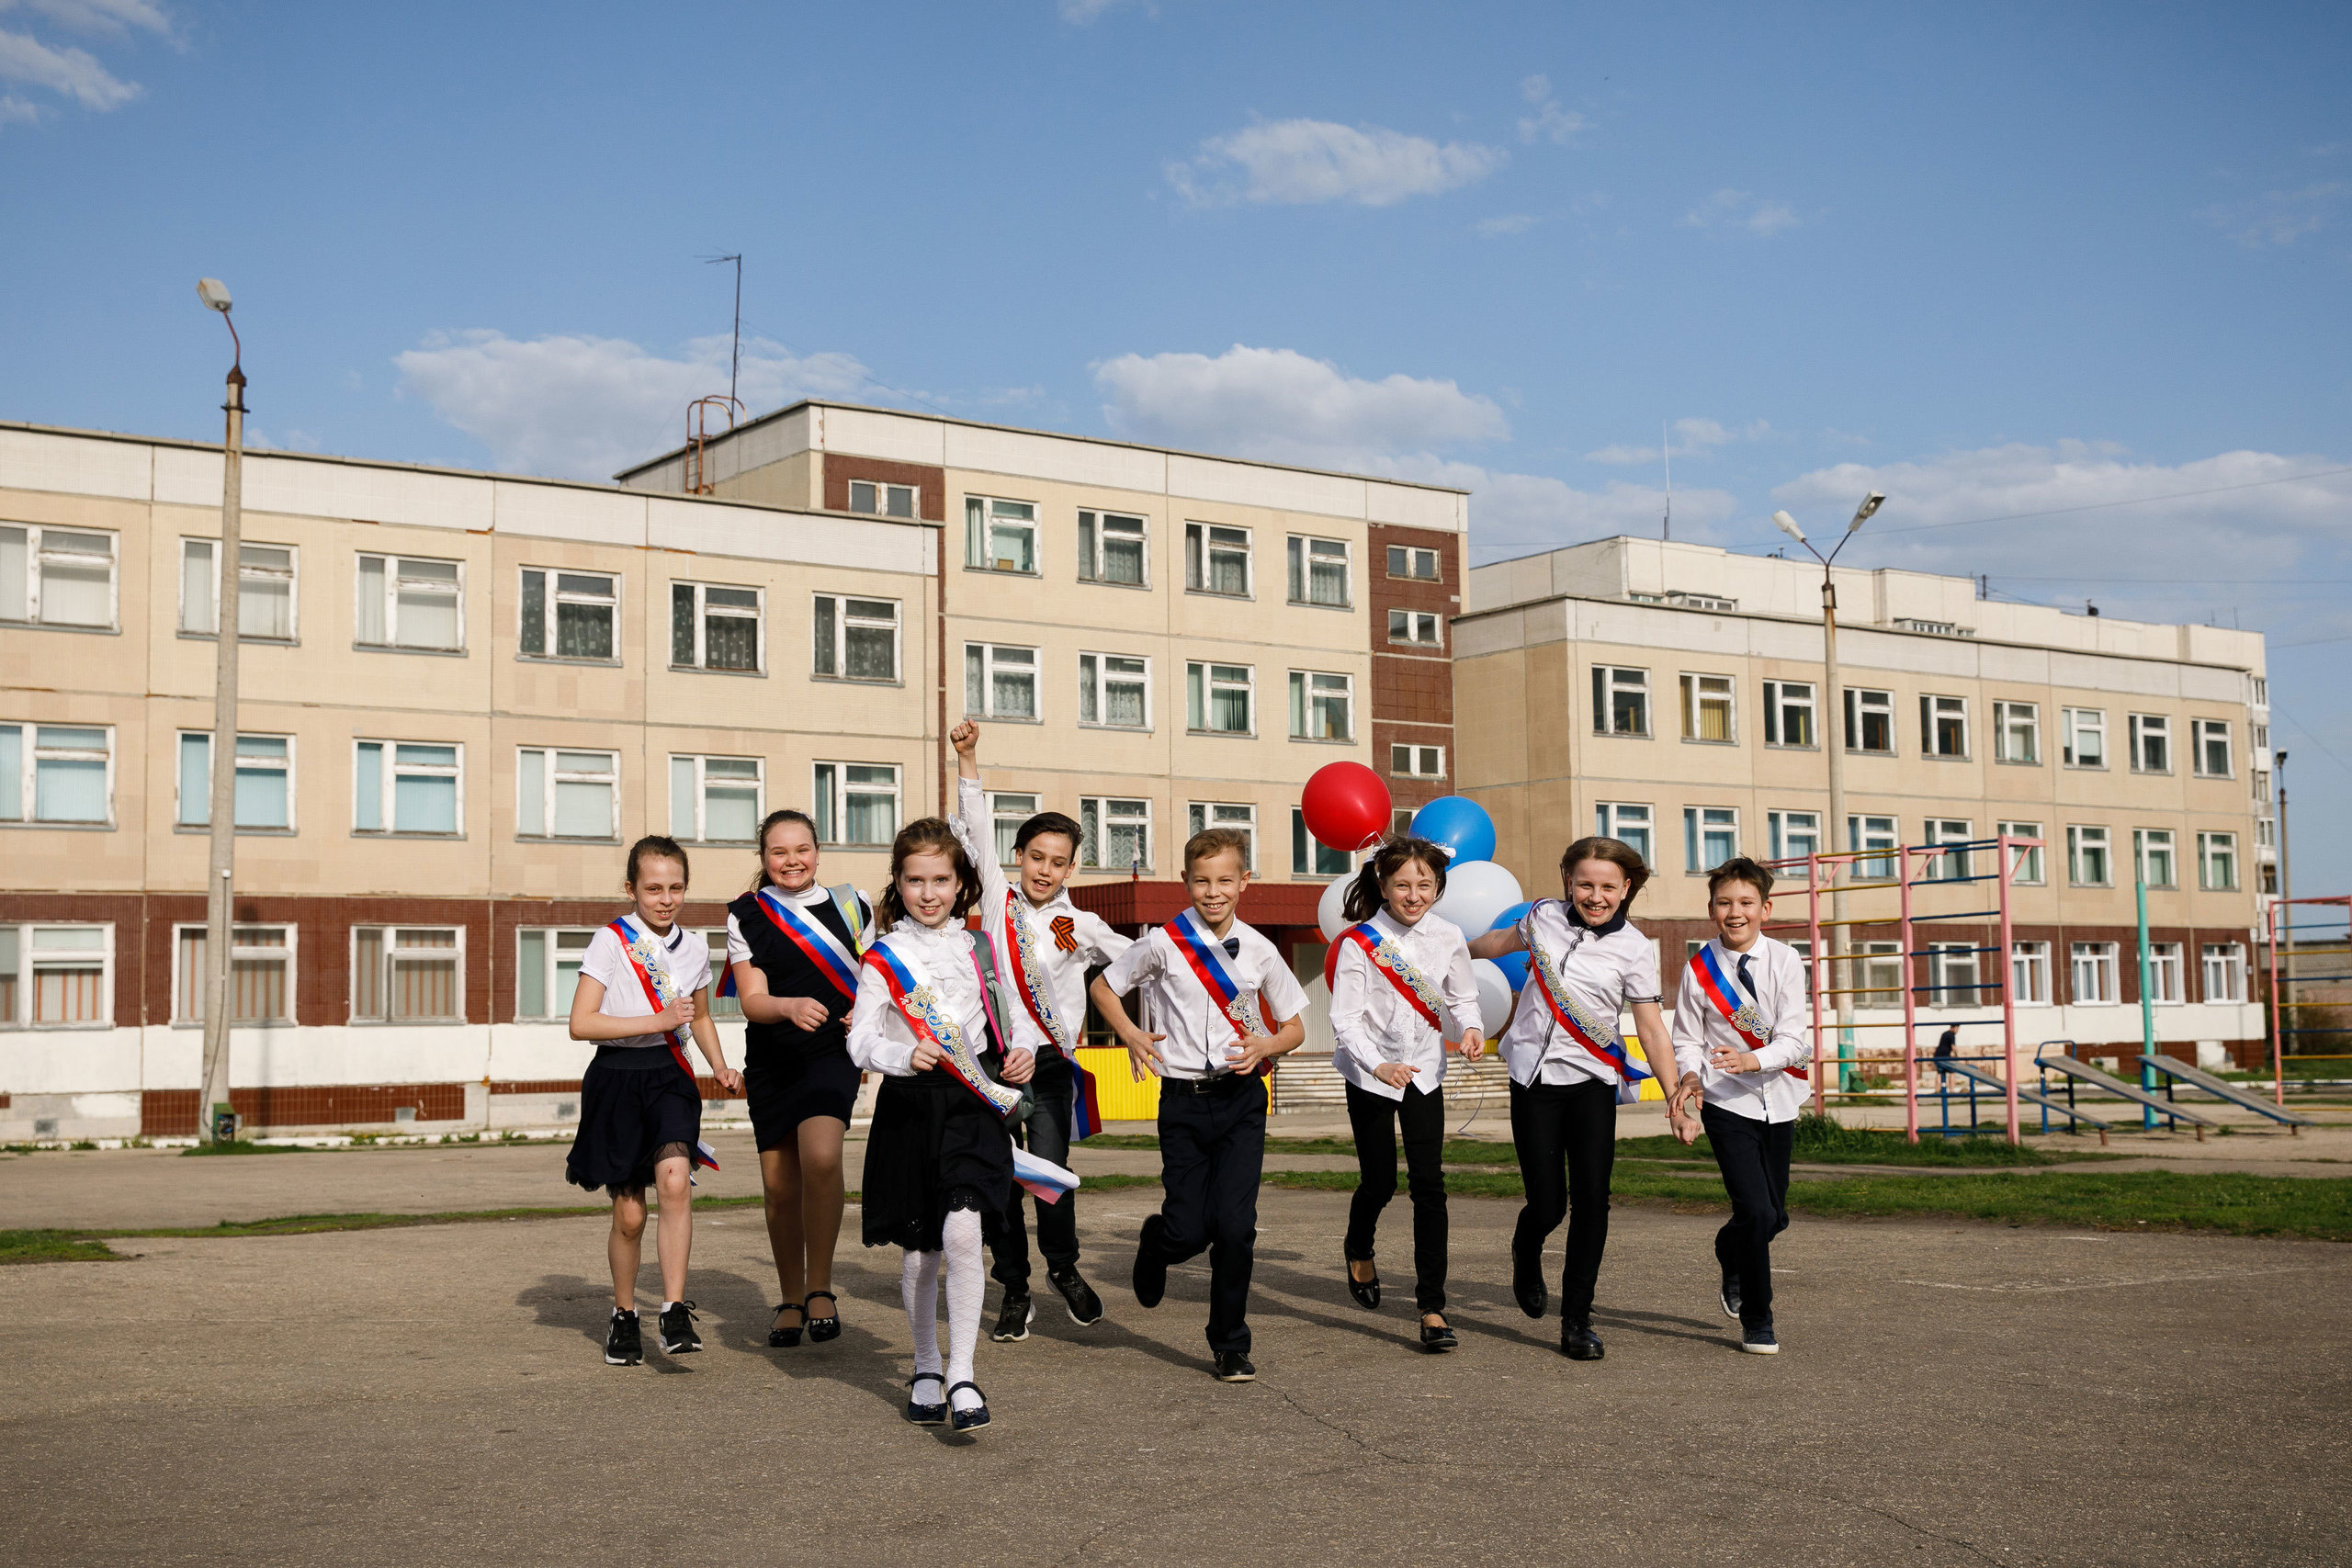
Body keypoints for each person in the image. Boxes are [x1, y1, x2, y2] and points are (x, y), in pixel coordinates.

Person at [1090, 827, 1308, 1382]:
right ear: (1186, 882)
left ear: (1245, 882)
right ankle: (1155, 1244)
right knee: (1189, 1230)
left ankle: (1229, 1342)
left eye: (1225, 880)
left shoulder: (1260, 949)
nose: (1214, 892)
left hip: (1241, 1101)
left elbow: (1296, 1027)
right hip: (1183, 1101)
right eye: (1202, 881)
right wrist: (1132, 1035)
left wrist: (1266, 1044)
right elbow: (1104, 990)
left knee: (1236, 1228)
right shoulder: (1163, 942)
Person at [1470, 836, 1699, 1361]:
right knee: (1548, 1202)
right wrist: (1449, 949)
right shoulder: (1542, 917)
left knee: (1593, 1201)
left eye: (1608, 887)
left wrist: (1675, 1096)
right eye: (1585, 884)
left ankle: (1577, 1319)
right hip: (1532, 1077)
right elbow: (1495, 944)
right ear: (1568, 882)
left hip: (1592, 1082)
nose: (1596, 896)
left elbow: (1651, 1028)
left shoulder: (1637, 949)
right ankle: (1526, 1251)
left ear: (1627, 889)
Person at [848, 818, 1040, 1433]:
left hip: (973, 1100)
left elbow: (1017, 1016)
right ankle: (925, 1363)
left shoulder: (981, 947)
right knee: (922, 1250)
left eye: (940, 879)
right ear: (898, 884)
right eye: (915, 880)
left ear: (961, 884)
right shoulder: (884, 956)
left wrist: (1024, 1051)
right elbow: (859, 1039)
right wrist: (902, 1055)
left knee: (963, 1232)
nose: (928, 892)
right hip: (910, 1104)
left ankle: (962, 1371)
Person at [947, 719, 1131, 1340]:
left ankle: (1063, 1268)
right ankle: (1015, 1287)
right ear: (1018, 855)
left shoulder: (1077, 923)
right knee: (998, 1174)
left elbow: (1133, 959)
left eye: (1058, 862)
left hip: (1049, 1065)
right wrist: (969, 758)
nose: (1045, 870)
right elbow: (972, 823)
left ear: (1072, 866)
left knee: (1050, 1167)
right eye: (1036, 857)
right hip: (993, 1062)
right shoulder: (996, 898)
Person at [563, 835, 744, 1367]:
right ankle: (624, 1315)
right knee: (630, 1216)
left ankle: (672, 1309)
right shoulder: (610, 940)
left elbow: (701, 1015)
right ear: (631, 889)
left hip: (670, 1076)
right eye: (653, 889)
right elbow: (581, 1023)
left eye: (675, 888)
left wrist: (719, 1065)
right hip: (617, 1078)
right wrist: (659, 1020)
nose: (665, 899)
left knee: (674, 1181)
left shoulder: (693, 946)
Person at [1328, 836, 1485, 1352]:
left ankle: (1432, 1307)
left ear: (1439, 886)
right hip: (1370, 1074)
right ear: (1383, 885)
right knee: (1379, 1181)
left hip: (1424, 1074)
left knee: (1429, 1186)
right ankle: (1359, 1246)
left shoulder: (1448, 935)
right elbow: (1344, 1019)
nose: (1413, 895)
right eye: (1402, 885)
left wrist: (1470, 1027)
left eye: (1424, 885)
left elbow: (1462, 995)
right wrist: (1377, 1064)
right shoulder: (1360, 942)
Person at [726, 808, 872, 1348]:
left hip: (832, 1052)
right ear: (764, 859)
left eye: (802, 849)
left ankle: (820, 1286)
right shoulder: (747, 914)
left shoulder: (853, 906)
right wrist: (787, 1006)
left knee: (823, 1157)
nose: (792, 861)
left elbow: (875, 978)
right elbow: (752, 999)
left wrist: (868, 1013)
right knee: (779, 1186)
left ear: (819, 850)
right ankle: (789, 1296)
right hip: (772, 1057)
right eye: (779, 852)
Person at [1669, 857, 1812, 1355]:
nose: (1735, 912)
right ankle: (1758, 1318)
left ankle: (1729, 1253)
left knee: (1773, 1218)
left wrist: (1754, 1058)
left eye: (1746, 903)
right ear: (1711, 909)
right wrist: (1690, 1075)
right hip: (1727, 1103)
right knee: (1753, 1209)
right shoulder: (1698, 968)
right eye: (1725, 903)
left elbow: (1797, 1040)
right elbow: (1685, 1038)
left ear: (1765, 908)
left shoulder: (1787, 961)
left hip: (1782, 1098)